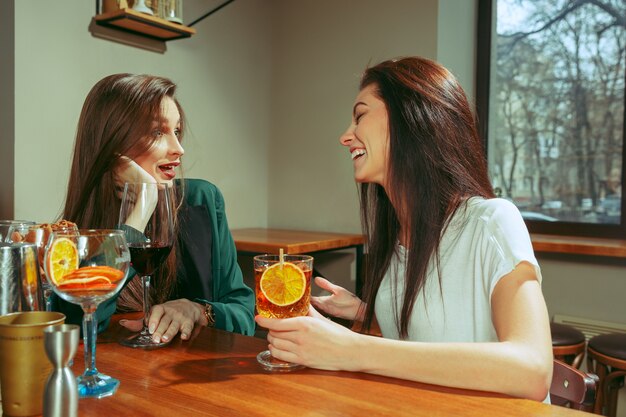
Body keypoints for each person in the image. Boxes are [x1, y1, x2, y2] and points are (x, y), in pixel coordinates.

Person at [256, 57, 553, 401]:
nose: (345, 136)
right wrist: (371, 312)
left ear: (411, 117)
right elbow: (433, 336)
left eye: (360, 115)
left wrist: (353, 348)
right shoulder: (396, 237)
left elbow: (532, 370)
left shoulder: (492, 221)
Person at [56, 73, 255, 341]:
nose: (179, 149)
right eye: (157, 132)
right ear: (113, 144)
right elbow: (79, 324)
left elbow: (244, 314)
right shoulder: (70, 237)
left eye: (177, 131)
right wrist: (142, 208)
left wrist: (198, 310)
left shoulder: (201, 200)